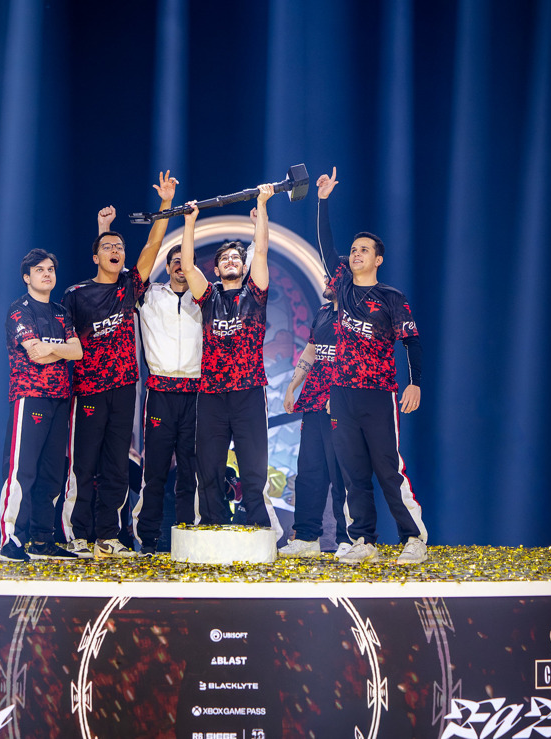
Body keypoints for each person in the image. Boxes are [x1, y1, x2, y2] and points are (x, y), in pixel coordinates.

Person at [315, 167, 429, 565]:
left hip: (379, 394)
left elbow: (412, 341)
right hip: (341, 393)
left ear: (378, 259)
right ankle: (363, 540)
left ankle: (413, 538)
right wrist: (323, 202)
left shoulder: (391, 297)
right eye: (354, 249)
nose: (356, 253)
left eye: (364, 250)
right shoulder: (343, 286)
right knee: (352, 473)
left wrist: (415, 383)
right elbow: (325, 244)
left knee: (388, 469)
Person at [61, 171, 178, 558]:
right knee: (84, 464)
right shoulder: (76, 294)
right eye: (108, 247)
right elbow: (65, 344)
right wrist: (102, 230)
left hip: (125, 388)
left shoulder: (130, 286)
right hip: (89, 390)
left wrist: (165, 204)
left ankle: (108, 536)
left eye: (121, 247)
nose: (116, 250)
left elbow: (154, 244)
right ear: (95, 257)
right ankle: (77, 534)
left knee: (116, 464)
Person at [179, 187, 284, 540]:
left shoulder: (256, 293)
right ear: (217, 268)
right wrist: (190, 222)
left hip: (248, 392)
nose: (230, 261)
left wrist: (261, 206)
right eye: (223, 258)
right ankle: (212, 524)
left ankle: (256, 526)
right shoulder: (207, 296)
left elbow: (262, 250)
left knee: (253, 466)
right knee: (208, 465)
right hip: (211, 393)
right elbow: (188, 266)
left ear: (243, 265)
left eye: (236, 257)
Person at [0, 249, 83, 562]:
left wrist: (51, 349)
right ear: (26, 277)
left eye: (50, 269)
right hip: (30, 395)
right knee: (22, 471)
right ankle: (11, 540)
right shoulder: (19, 310)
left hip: (60, 398)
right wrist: (59, 349)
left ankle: (42, 540)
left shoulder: (61, 312)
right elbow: (35, 353)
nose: (47, 274)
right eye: (39, 270)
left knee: (51, 473)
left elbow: (79, 352)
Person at [132, 240, 203, 555]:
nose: (179, 265)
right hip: (160, 392)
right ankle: (148, 540)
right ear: (166, 266)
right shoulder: (149, 295)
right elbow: (142, 261)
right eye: (174, 260)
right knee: (155, 472)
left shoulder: (205, 297)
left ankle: (188, 538)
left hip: (195, 393)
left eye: (184, 260)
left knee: (190, 471)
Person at [278, 277, 352, 559]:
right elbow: (311, 350)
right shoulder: (322, 313)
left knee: (342, 474)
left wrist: (341, 394)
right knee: (308, 471)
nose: (325, 281)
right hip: (313, 401)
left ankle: (348, 538)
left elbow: (360, 358)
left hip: (341, 404)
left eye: (331, 276)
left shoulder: (355, 315)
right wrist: (292, 386)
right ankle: (306, 537)